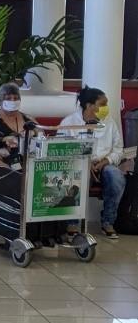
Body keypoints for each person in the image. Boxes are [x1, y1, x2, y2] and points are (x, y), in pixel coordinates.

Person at [60, 86, 125, 239]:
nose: (105, 108)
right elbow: (62, 148)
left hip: (104, 165)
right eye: (102, 104)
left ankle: (108, 221)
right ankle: (72, 222)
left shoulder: (109, 123)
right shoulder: (69, 122)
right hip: (78, 165)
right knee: (77, 176)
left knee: (115, 177)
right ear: (89, 105)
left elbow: (118, 149)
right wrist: (83, 162)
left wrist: (105, 161)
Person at [0, 83, 36, 169]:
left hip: (27, 168)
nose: (13, 101)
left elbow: (42, 138)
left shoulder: (29, 118)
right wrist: (3, 167)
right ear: (0, 101)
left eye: (16, 98)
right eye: (8, 98)